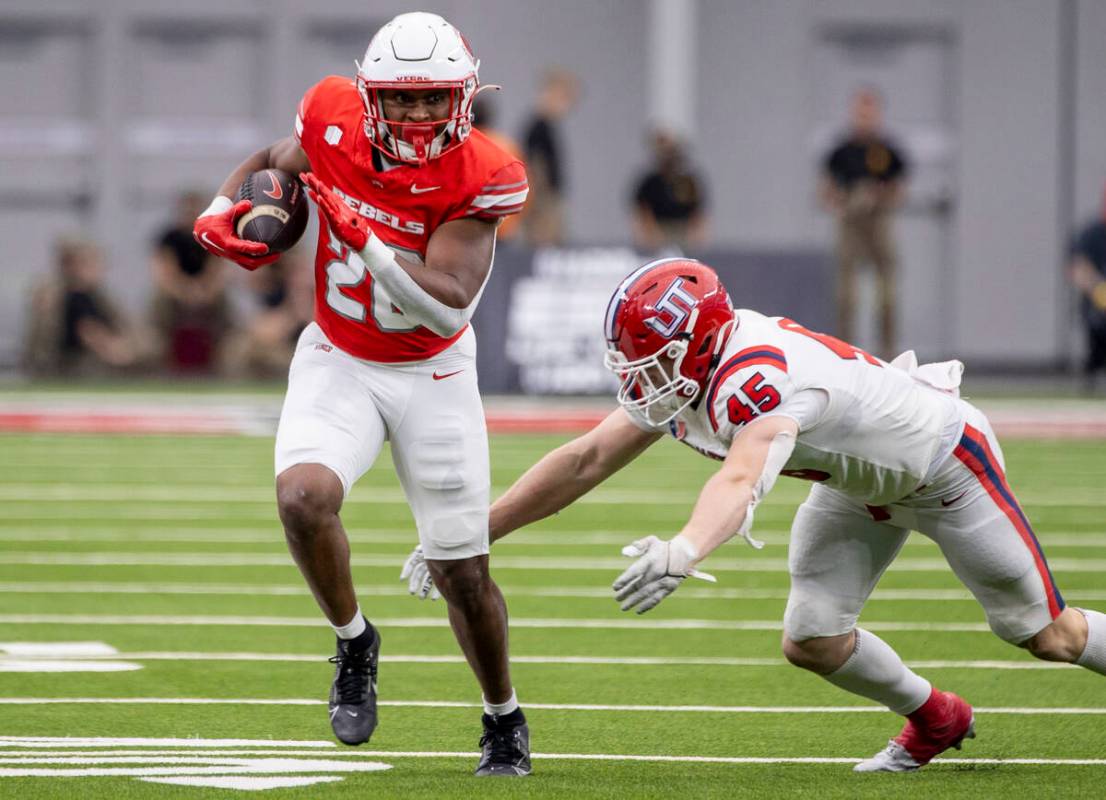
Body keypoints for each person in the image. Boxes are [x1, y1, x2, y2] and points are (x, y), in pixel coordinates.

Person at [404, 257, 1106, 772]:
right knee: (813, 638)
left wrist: (684, 551)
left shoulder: (755, 375)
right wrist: (473, 531)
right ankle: (936, 717)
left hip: (946, 467)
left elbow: (743, 477)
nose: (637, 379)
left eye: (652, 361)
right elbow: (587, 458)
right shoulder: (695, 374)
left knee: (1046, 634)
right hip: (854, 483)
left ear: (699, 345)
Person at [191, 12, 531, 776]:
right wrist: (222, 210)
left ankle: (503, 716)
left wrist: (366, 235)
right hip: (338, 355)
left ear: (465, 98)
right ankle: (354, 642)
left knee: (461, 572)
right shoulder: (333, 116)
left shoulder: (485, 171)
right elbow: (275, 160)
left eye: (432, 99)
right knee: (302, 496)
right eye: (401, 101)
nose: (415, 117)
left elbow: (446, 303)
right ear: (370, 95)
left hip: (435, 370)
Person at [820, 87, 908, 359]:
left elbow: (899, 189)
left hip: (879, 222)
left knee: (887, 294)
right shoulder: (841, 151)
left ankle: (888, 352)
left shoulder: (887, 151)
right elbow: (826, 190)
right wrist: (845, 202)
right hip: (851, 223)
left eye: (870, 110)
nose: (865, 116)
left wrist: (878, 196)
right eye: (860, 110)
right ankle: (844, 354)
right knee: (847, 296)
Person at [23, 236, 148, 376]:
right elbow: (88, 331)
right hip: (68, 368)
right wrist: (118, 349)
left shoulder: (97, 295)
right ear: (74, 265)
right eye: (94, 263)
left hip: (81, 365)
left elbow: (126, 324)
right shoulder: (65, 293)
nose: (101, 269)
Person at [151, 190, 233, 373]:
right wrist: (185, 291)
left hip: (206, 290)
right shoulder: (169, 238)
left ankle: (225, 353)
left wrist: (204, 291)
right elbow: (164, 272)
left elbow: (218, 269)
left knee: (225, 304)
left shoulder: (211, 235)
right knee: (159, 303)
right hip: (174, 291)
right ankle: (158, 352)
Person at [220, 252, 314, 379]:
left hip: (297, 348)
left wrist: (300, 304)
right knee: (237, 347)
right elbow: (260, 328)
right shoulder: (268, 288)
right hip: (271, 343)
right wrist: (289, 314)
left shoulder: (308, 291)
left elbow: (311, 325)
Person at [520, 67, 578, 247]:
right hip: (544, 201)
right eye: (563, 97)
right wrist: (541, 205)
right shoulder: (538, 127)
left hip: (547, 199)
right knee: (546, 246)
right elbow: (535, 166)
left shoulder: (545, 127)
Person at [630, 129, 708, 253]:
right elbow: (642, 208)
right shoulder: (651, 181)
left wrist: (696, 231)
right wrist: (648, 230)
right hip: (659, 228)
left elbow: (697, 208)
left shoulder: (688, 180)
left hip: (683, 229)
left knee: (683, 261)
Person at [1067, 183, 1106, 391]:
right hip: (1097, 308)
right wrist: (1099, 290)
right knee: (1097, 335)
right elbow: (1077, 267)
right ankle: (1092, 375)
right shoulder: (1092, 233)